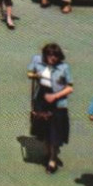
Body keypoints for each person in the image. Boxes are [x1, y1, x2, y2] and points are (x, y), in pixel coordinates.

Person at [29, 42, 74, 174]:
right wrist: (34, 74)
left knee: (55, 133)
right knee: (44, 131)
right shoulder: (39, 62)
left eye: (55, 55)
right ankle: (48, 153)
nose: (52, 57)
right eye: (49, 54)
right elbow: (31, 71)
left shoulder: (64, 67)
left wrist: (55, 96)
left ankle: (53, 159)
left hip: (57, 103)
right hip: (41, 100)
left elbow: (70, 87)